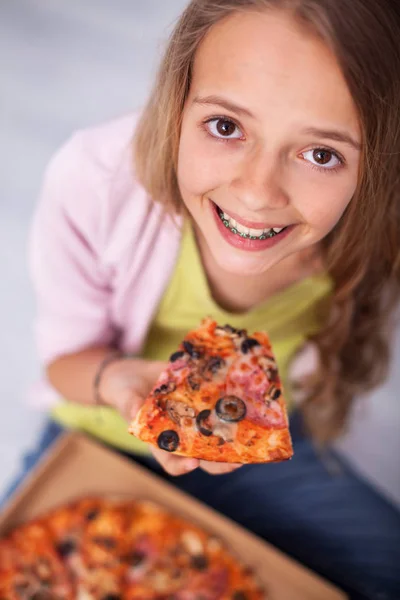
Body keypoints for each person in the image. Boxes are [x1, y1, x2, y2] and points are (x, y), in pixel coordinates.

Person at [4, 0, 400, 597]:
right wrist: (116, 383)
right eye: (226, 126)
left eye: (321, 154)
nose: (257, 193)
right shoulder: (95, 179)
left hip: (264, 447)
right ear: (179, 100)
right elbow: (64, 363)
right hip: (103, 428)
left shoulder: (380, 229)